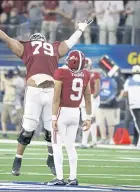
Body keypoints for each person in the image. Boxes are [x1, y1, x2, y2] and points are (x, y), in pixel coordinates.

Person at [0, 12, 93, 176]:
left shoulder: (27, 47)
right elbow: (70, 42)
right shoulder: (53, 47)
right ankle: (22, 158)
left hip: (42, 91)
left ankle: (34, 159)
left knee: (35, 130)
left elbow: (6, 39)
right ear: (43, 41)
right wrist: (80, 29)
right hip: (42, 91)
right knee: (43, 130)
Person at [47, 50, 91, 185]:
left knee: (57, 145)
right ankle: (73, 177)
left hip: (62, 111)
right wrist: (88, 117)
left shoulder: (61, 72)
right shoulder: (86, 74)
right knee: (70, 146)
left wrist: (53, 117)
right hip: (75, 112)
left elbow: (56, 98)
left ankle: (59, 178)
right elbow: (88, 98)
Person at [118, 65, 140, 150]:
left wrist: (123, 94)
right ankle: (138, 142)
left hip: (134, 104)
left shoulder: (129, 81)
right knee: (139, 122)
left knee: (138, 122)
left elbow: (125, 94)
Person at [80, 57, 100, 148]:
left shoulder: (94, 74)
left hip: (91, 97)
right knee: (86, 120)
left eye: (87, 65)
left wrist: (92, 98)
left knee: (90, 119)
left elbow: (97, 89)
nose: (85, 67)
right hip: (83, 98)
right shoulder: (79, 74)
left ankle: (90, 141)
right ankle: (88, 141)